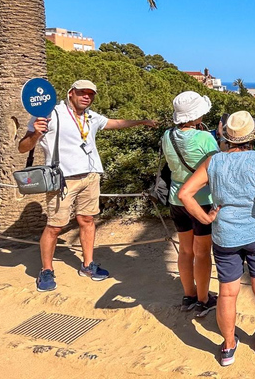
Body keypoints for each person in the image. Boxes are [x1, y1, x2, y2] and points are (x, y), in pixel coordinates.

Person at [18, 80, 156, 292]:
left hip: (91, 176)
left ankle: (88, 265)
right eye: (83, 93)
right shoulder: (51, 113)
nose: (87, 97)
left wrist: (141, 122)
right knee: (55, 226)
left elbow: (114, 123)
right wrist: (36, 133)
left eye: (91, 94)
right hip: (62, 179)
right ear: (71, 93)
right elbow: (22, 147)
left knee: (87, 220)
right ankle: (46, 270)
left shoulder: (91, 116)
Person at [179, 111, 255, 367]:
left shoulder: (213, 161)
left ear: (226, 136)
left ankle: (228, 346)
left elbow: (185, 194)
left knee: (227, 293)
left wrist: (205, 218)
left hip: (224, 234)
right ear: (251, 136)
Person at [162, 92, 220, 317]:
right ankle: (204, 300)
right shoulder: (204, 138)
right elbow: (215, 166)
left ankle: (189, 295)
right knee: (202, 253)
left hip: (176, 199)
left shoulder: (167, 135)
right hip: (201, 201)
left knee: (185, 250)